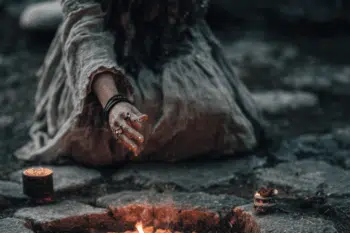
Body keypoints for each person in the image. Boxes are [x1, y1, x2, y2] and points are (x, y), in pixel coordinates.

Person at [16, 0, 266, 166]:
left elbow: (186, 28)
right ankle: (53, 15)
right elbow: (87, 35)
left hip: (167, 49)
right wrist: (114, 102)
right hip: (102, 57)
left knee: (212, 114)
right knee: (100, 136)